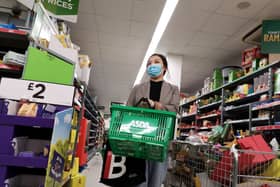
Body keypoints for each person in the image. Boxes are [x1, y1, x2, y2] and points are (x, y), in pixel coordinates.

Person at [127, 53, 180, 187]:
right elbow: (127, 112)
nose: (152, 65)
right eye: (149, 63)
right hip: (139, 139)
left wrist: (154, 105)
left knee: (156, 181)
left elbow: (174, 110)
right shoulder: (137, 88)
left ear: (164, 68)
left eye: (156, 62)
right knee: (138, 181)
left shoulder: (173, 89)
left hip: (160, 141)